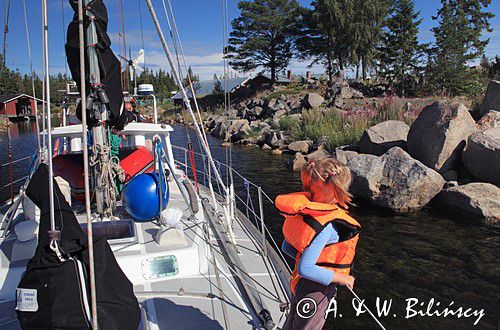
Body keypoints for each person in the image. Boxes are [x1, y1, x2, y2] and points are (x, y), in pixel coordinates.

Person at [275, 158, 361, 330]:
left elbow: (287, 247)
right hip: (316, 291)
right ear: (336, 189)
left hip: (300, 285)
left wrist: (308, 259)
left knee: (292, 322)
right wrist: (342, 278)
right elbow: (306, 268)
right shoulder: (328, 226)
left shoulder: (307, 215)